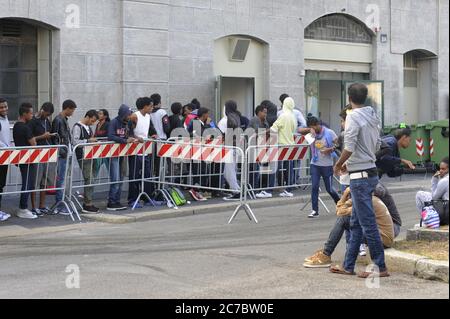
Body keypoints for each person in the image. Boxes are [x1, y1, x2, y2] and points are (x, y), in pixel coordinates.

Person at [332, 83, 388, 278]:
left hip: (360, 178)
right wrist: (352, 163)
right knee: (356, 222)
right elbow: (375, 144)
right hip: (368, 171)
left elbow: (349, 145)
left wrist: (339, 164)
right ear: (365, 98)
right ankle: (348, 265)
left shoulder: (353, 117)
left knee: (367, 224)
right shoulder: (372, 114)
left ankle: (380, 266)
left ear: (349, 98)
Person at [303, 183, 398, 268]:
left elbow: (341, 213)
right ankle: (328, 254)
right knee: (348, 221)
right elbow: (339, 210)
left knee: (346, 220)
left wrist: (345, 195)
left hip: (383, 239)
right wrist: (345, 195)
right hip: (376, 233)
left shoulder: (368, 201)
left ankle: (327, 254)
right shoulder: (363, 197)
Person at [305, 116, 340, 218]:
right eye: (310, 127)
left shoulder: (329, 132)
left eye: (313, 127)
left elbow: (338, 144)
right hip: (315, 163)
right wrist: (310, 133)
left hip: (327, 165)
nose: (312, 129)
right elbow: (300, 131)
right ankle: (314, 210)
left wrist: (330, 150)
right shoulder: (311, 135)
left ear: (317, 124)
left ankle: (340, 205)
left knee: (329, 189)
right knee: (315, 187)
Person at [107, 104, 137, 211]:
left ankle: (117, 200)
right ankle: (111, 202)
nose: (129, 116)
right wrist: (125, 141)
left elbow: (130, 134)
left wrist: (134, 138)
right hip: (114, 155)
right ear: (123, 114)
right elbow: (110, 136)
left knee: (121, 177)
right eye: (128, 114)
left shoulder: (128, 123)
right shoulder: (114, 122)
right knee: (115, 178)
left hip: (123, 154)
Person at [128, 97, 155, 208]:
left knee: (147, 175)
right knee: (134, 176)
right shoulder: (134, 116)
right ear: (145, 106)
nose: (152, 108)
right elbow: (129, 132)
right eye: (151, 106)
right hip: (135, 150)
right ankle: (132, 199)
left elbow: (148, 131)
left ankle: (148, 198)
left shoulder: (148, 116)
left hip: (145, 150)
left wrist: (152, 136)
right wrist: (137, 137)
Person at [51, 99, 77, 215]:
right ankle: (59, 204)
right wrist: (62, 151)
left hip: (67, 152)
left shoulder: (63, 119)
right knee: (61, 179)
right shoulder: (58, 120)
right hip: (63, 154)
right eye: (72, 110)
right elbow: (55, 138)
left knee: (63, 179)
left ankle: (61, 203)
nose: (73, 112)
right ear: (68, 108)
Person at [29, 102, 55, 216]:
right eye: (46, 114)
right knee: (36, 181)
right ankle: (34, 207)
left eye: (49, 115)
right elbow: (30, 138)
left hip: (48, 153)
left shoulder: (47, 121)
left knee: (44, 182)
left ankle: (42, 205)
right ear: (42, 110)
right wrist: (42, 137)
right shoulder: (33, 121)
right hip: (37, 154)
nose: (47, 116)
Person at [72, 110, 100, 214]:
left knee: (91, 179)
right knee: (89, 178)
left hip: (90, 155)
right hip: (83, 156)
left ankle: (89, 202)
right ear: (88, 117)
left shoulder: (88, 127)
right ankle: (87, 204)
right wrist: (88, 141)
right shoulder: (77, 127)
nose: (92, 123)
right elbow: (75, 141)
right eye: (92, 121)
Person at [13, 103, 38, 219]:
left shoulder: (16, 126)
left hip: (22, 158)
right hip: (28, 159)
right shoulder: (25, 128)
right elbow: (33, 143)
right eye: (31, 113)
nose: (32, 115)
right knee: (27, 184)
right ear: (25, 114)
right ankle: (23, 208)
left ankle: (23, 208)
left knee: (26, 183)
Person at [271, 97, 297, 197]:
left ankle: (278, 187)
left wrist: (262, 133)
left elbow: (274, 129)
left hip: (281, 145)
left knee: (277, 168)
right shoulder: (293, 116)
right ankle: (288, 188)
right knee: (289, 168)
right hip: (291, 144)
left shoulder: (283, 116)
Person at [249, 105, 276, 198]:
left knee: (263, 170)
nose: (266, 114)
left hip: (262, 148)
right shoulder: (255, 120)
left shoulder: (265, 121)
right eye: (264, 112)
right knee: (255, 170)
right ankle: (254, 189)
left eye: (266, 112)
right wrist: (268, 130)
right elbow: (258, 132)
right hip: (253, 148)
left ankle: (260, 189)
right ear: (259, 112)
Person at [218, 101, 242, 201]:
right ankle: (237, 190)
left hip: (229, 147)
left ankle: (237, 192)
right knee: (229, 172)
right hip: (235, 147)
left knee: (229, 172)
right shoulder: (236, 117)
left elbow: (221, 134)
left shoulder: (225, 120)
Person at [416, 157, 449, 221]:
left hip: (445, 213)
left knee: (419, 194)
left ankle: (426, 220)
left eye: (443, 169)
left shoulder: (445, 180)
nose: (440, 171)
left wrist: (434, 180)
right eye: (440, 169)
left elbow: (434, 198)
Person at [0, 98, 12, 221]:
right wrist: (6, 148)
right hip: (2, 155)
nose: (4, 109)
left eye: (5, 106)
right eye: (1, 107)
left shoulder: (5, 119)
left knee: (1, 185)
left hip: (5, 156)